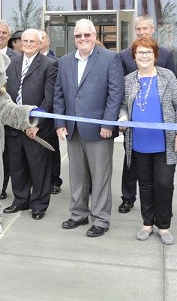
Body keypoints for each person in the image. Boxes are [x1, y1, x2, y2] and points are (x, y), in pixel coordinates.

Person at [53, 19, 124, 237]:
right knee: (77, 176)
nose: (83, 39)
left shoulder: (110, 58)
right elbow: (59, 94)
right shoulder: (64, 61)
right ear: (74, 38)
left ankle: (101, 220)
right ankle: (78, 214)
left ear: (94, 36)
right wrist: (60, 123)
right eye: (78, 36)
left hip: (99, 131)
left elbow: (115, 94)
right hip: (72, 130)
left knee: (100, 177)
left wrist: (107, 124)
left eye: (87, 35)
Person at [118, 37, 177, 245]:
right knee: (145, 184)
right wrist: (123, 116)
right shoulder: (129, 79)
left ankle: (164, 226)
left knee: (164, 184)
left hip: (164, 143)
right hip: (139, 142)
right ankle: (147, 223)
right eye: (140, 52)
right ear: (134, 56)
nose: (144, 56)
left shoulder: (167, 76)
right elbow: (122, 105)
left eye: (148, 52)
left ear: (155, 55)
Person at [117, 14, 177, 214]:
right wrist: (123, 117)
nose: (142, 32)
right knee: (131, 164)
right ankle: (128, 197)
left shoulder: (166, 55)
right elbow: (122, 93)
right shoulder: (124, 54)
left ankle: (162, 210)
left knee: (161, 178)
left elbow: (175, 95)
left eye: (145, 29)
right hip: (134, 128)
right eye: (139, 29)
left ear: (152, 30)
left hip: (161, 130)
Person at [3, 29, 57, 220]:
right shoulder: (12, 63)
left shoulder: (49, 65)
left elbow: (49, 99)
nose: (27, 44)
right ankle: (20, 200)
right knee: (17, 166)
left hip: (36, 129)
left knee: (38, 168)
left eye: (32, 41)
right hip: (14, 126)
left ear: (41, 43)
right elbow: (8, 94)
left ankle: (39, 205)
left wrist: (37, 124)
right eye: (24, 40)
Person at [0, 20, 20, 200]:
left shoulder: (16, 58)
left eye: (4, 33)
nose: (0, 35)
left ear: (9, 37)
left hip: (7, 112)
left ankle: (2, 187)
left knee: (8, 155)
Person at [40, 29, 62, 194]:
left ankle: (55, 180)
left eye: (42, 38)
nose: (39, 42)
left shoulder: (56, 61)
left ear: (47, 41)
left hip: (50, 113)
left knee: (52, 149)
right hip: (33, 113)